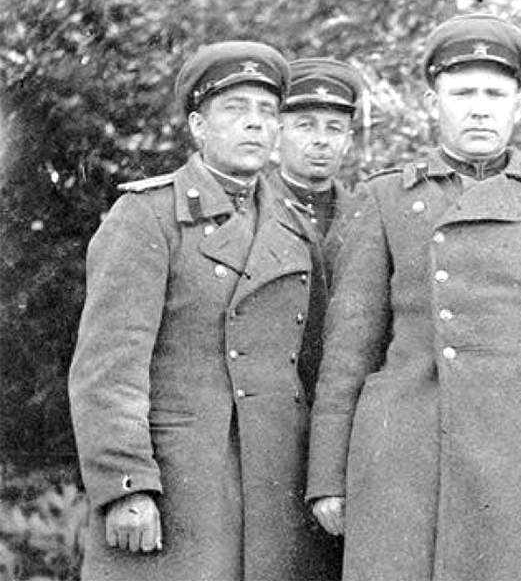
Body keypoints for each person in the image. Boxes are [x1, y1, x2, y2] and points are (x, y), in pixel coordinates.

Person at [305, 13, 521, 581]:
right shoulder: (387, 199)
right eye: (463, 93)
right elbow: (347, 354)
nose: (479, 109)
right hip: (413, 454)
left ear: (520, 105)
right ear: (432, 102)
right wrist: (327, 475)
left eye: (495, 94)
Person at [68, 40, 334, 580]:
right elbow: (108, 369)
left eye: (267, 112)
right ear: (197, 125)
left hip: (277, 486)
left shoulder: (294, 229)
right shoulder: (148, 217)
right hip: (181, 485)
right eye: (235, 109)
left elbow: (317, 368)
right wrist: (126, 485)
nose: (255, 124)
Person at [270, 56, 363, 401]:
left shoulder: (368, 215)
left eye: (334, 128)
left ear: (348, 141)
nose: (321, 140)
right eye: (305, 126)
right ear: (278, 133)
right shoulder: (249, 211)